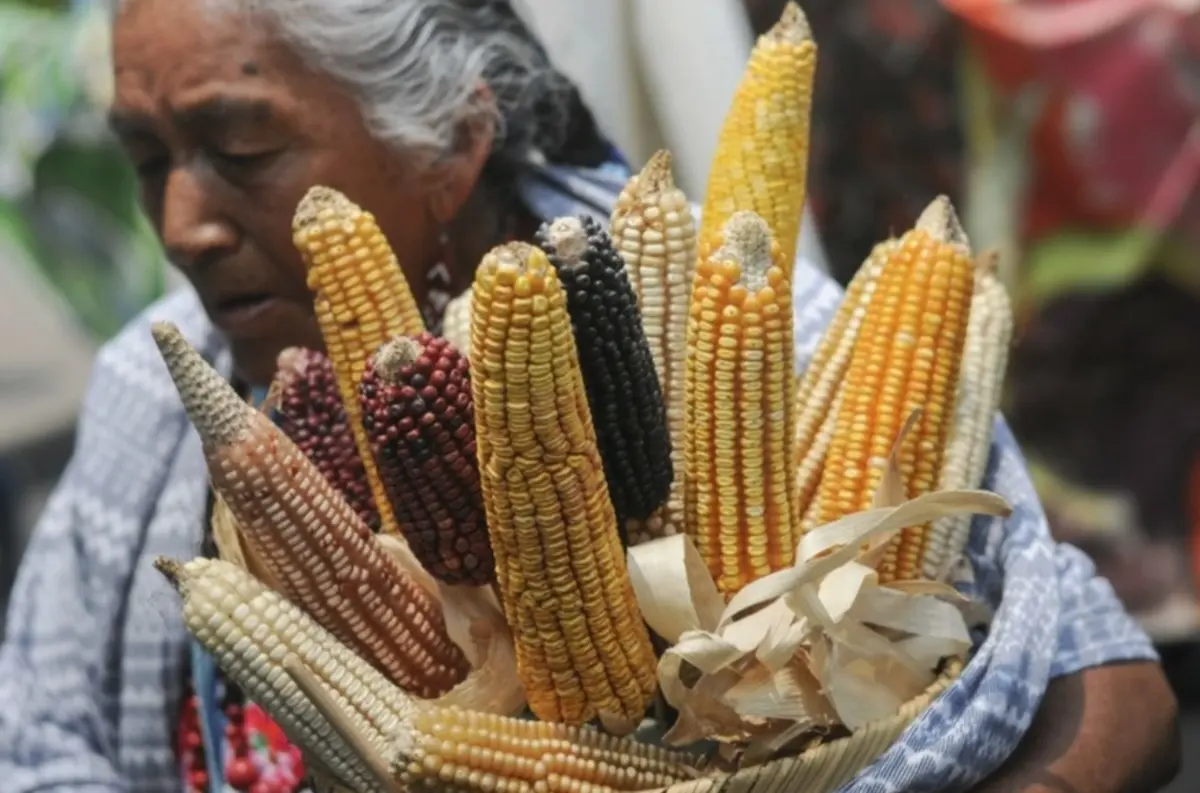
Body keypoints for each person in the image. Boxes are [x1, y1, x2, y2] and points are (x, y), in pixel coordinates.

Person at [0, 0, 1180, 792]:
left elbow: (1111, 677)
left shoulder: (760, 330)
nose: (181, 227)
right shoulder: (155, 390)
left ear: (452, 140)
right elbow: (37, 739)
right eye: (149, 162)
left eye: (241, 153)